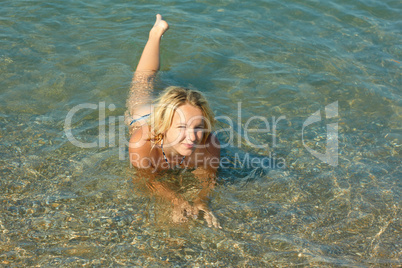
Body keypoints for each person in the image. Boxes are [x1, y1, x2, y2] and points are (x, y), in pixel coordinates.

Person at [126, 14, 221, 228]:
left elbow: (207, 177)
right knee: (144, 78)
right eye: (182, 128)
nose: (191, 136)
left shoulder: (208, 143)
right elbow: (147, 180)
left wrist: (201, 201)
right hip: (142, 114)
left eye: (198, 127)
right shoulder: (142, 142)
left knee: (160, 81)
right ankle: (156, 33)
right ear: (164, 127)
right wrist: (177, 201)